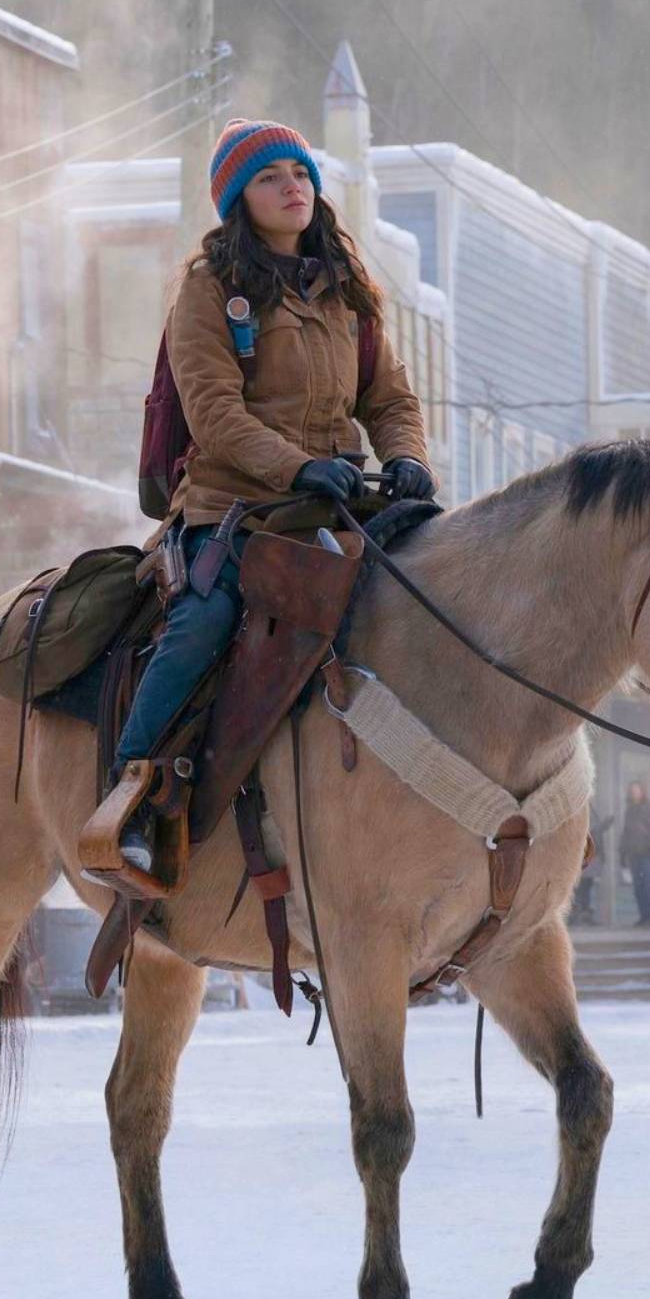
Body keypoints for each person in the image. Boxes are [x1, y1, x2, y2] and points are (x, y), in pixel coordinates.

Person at [109, 119, 435, 873]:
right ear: (236, 200)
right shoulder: (207, 291)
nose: (293, 184)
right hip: (234, 511)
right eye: (269, 176)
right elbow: (215, 414)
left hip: (340, 503)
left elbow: (390, 401)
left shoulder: (347, 293)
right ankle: (131, 788)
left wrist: (408, 458)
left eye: (300, 170)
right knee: (204, 620)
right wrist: (296, 468)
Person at [619, 782, 650, 928]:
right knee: (638, 887)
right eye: (632, 791)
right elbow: (625, 833)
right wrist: (622, 853)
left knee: (648, 886)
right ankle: (644, 916)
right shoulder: (629, 810)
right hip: (634, 855)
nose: (634, 793)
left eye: (636, 791)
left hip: (648, 854)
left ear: (642, 792)